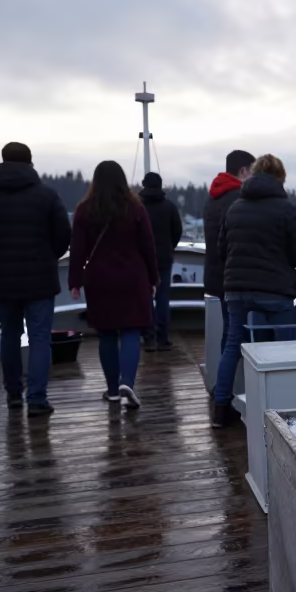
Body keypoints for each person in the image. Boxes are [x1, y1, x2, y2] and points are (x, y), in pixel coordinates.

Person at [0, 142, 71, 416]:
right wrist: (49, 257)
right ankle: (37, 399)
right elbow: (63, 235)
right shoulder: (47, 196)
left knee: (10, 337)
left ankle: (13, 394)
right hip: (40, 279)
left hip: (4, 279)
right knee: (39, 338)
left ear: (2, 161)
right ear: (30, 163)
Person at [211, 154, 296, 426]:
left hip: (236, 290)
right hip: (275, 291)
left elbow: (222, 251)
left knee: (233, 346)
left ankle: (220, 409)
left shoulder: (234, 208)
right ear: (280, 178)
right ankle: (282, 410)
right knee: (282, 348)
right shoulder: (287, 209)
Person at [68, 161, 159, 410]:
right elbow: (148, 247)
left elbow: (77, 250)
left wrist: (75, 281)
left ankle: (112, 390)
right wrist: (154, 278)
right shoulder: (135, 208)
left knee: (107, 334)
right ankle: (126, 382)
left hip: (99, 278)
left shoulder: (84, 210)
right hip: (133, 276)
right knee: (131, 331)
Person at [204, 150, 255, 374]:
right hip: (238, 276)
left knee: (230, 332)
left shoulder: (213, 198)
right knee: (238, 335)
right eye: (252, 171)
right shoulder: (239, 199)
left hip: (217, 274)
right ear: (243, 170)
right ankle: (235, 387)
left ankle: (224, 388)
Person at [139, 172, 183, 351]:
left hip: (141, 260)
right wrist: (169, 247)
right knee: (163, 298)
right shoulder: (169, 207)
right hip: (164, 258)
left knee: (145, 298)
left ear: (143, 184)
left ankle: (148, 339)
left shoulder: (138, 207)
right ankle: (163, 339)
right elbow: (177, 231)